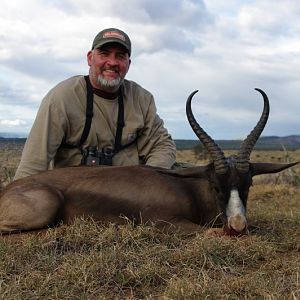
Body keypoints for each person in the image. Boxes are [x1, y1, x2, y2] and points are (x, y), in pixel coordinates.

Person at [14, 28, 176, 180]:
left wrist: (147, 181)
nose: (112, 62)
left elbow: (162, 146)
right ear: (90, 58)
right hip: (76, 192)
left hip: (130, 190)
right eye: (104, 54)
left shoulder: (142, 99)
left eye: (120, 56)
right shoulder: (62, 97)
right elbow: (33, 162)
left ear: (128, 63)